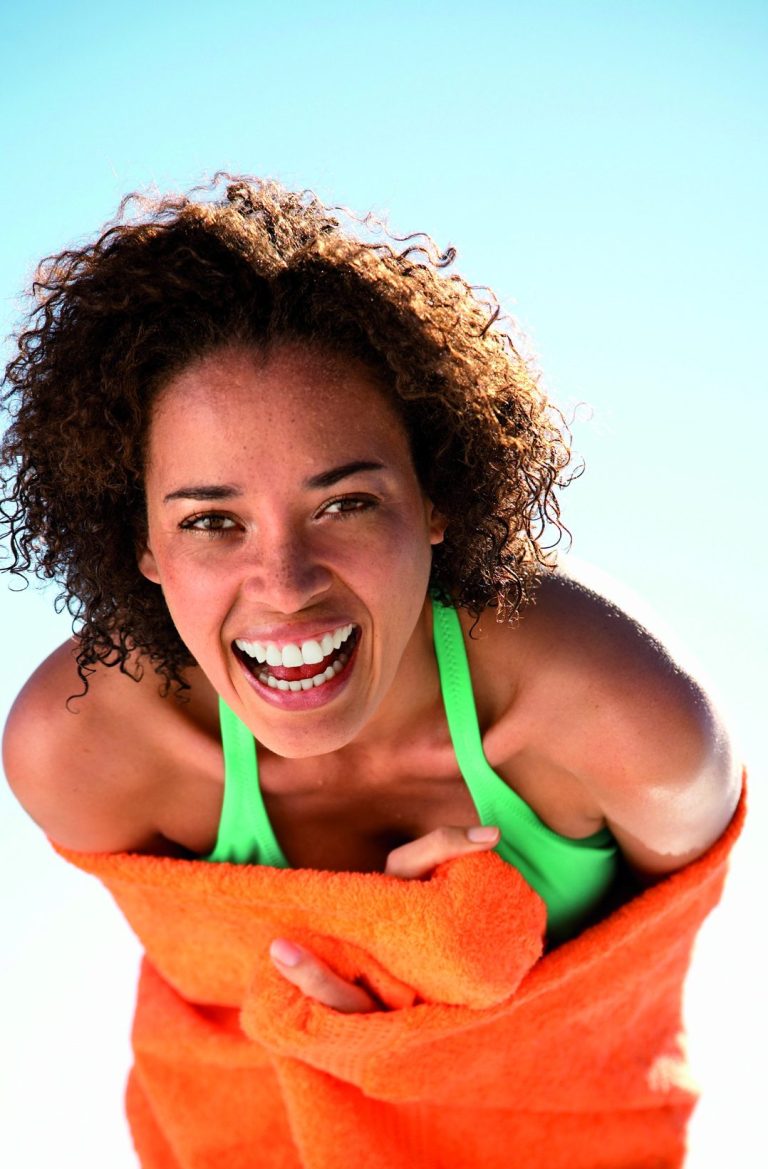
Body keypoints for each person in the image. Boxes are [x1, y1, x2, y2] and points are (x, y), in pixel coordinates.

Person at [1, 175, 739, 1013]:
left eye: (345, 504)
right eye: (211, 520)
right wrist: (379, 986)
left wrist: (436, 1005)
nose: (285, 585)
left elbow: (631, 1035)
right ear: (141, 541)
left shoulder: (629, 720)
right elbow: (207, 1047)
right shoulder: (83, 751)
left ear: (436, 499)